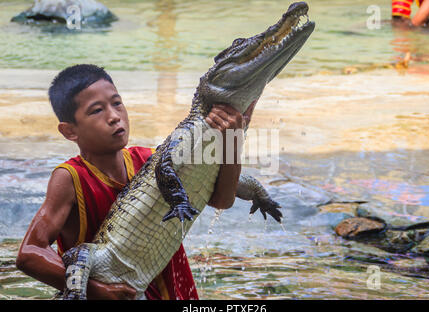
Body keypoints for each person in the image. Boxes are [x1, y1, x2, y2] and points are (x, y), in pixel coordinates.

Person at [15, 64, 255, 299]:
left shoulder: (150, 160)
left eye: (117, 103)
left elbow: (222, 199)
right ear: (69, 131)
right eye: (96, 110)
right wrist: (98, 291)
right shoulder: (70, 178)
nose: (113, 116)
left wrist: (233, 139)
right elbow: (29, 253)